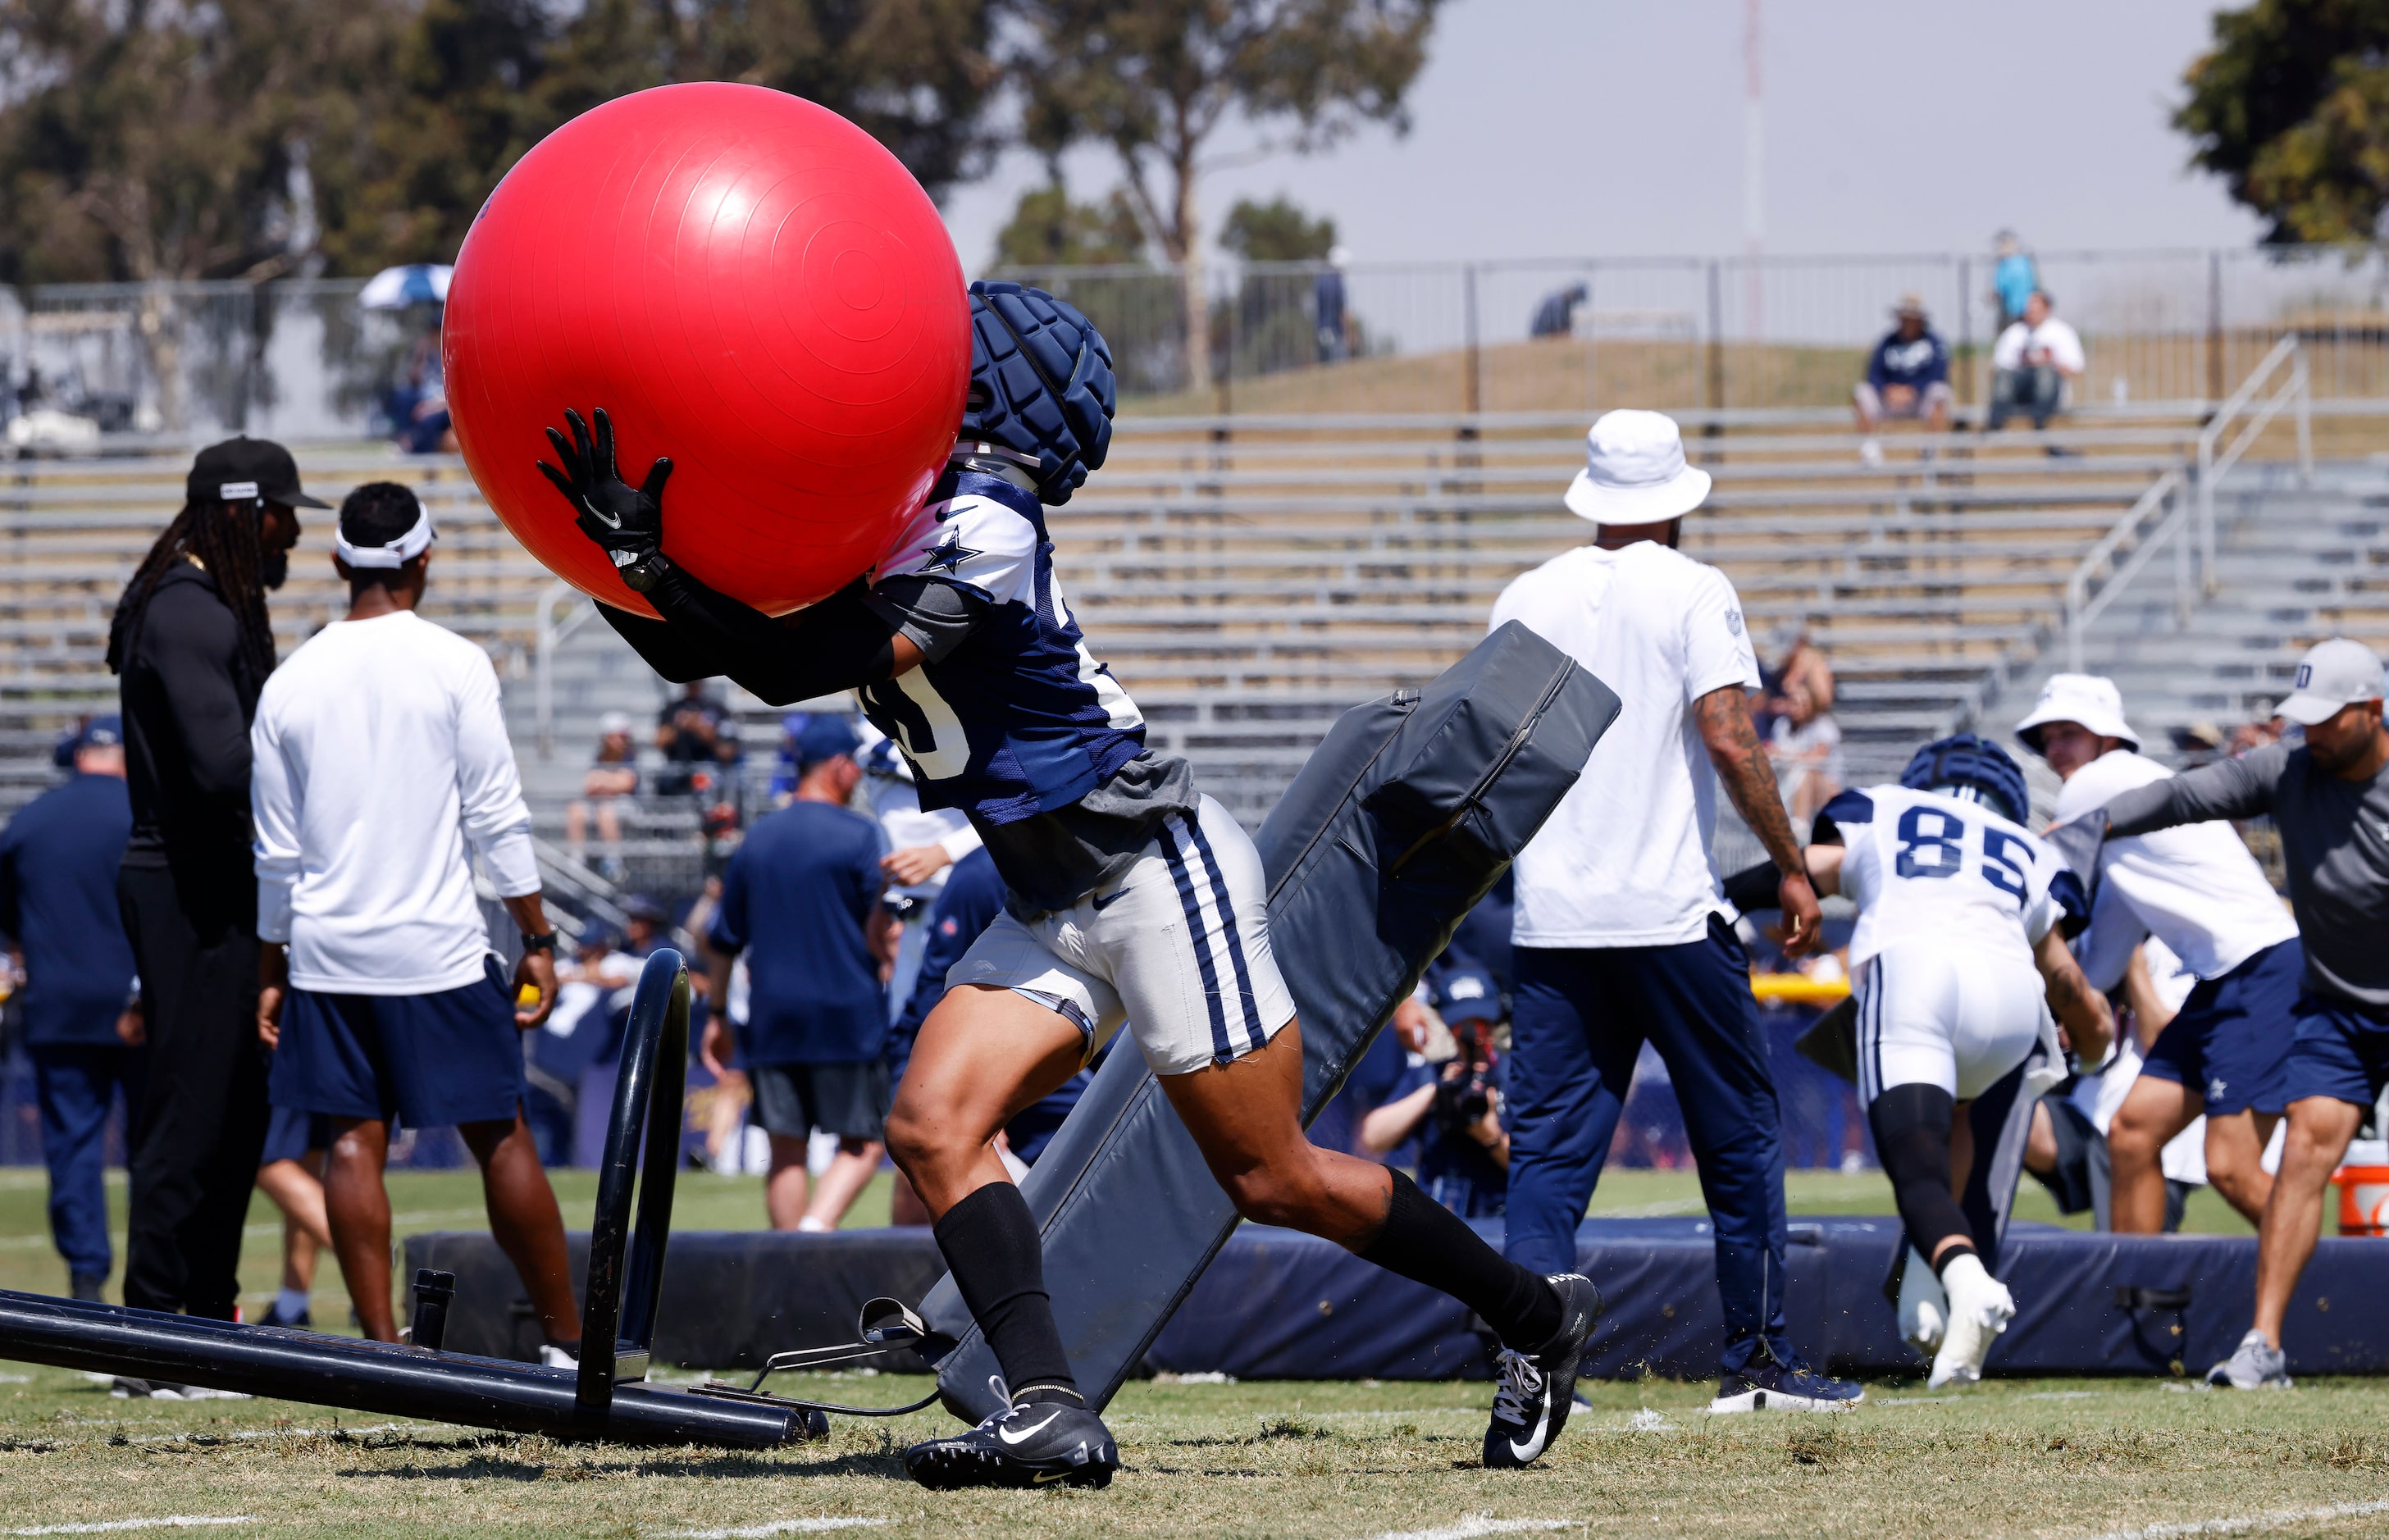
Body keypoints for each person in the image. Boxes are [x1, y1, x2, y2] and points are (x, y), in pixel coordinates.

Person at [534, 280, 1598, 1489]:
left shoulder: (985, 516)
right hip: (1047, 893)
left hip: (1150, 868)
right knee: (933, 1125)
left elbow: (792, 666)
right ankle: (1048, 1407)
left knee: (1270, 1175)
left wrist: (652, 568)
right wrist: (614, 558)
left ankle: (1534, 1314)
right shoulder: (902, 517)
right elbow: (712, 644)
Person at [1487, 408, 1858, 1416]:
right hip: (1669, 913)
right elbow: (1732, 737)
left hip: (1556, 920)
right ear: (1678, 503)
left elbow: (1488, 746)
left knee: (1550, 1160)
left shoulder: (1526, 593)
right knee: (1738, 1140)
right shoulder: (1695, 588)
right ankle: (1759, 1363)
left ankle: (1531, 1364)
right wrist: (1789, 864)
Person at [250, 481, 581, 1360]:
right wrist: (538, 938)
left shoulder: (291, 681)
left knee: (351, 1145)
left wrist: (272, 964)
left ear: (336, 562)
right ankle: (567, 1342)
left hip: (327, 951)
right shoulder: (453, 661)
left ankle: (383, 1349)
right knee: (499, 1135)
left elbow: (275, 854)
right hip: (434, 947)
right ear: (423, 560)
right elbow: (497, 817)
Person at [2063, 638, 2389, 1392]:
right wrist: (2097, 825)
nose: (2308, 733)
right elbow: (2185, 797)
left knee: (2248, 1162)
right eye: (2300, 718)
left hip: (2308, 981)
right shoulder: (2289, 768)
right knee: (2305, 1154)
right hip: (2336, 1007)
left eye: (2327, 719)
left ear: (2373, 713)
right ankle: (2264, 1347)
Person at [1767, 736, 2109, 1387]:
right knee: (1955, 1114)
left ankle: (1966, 1280)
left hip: (1915, 970)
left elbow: (1804, 868)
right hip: (2012, 1005)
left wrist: (1727, 898)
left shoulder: (1885, 809)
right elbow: (2065, 984)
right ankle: (1927, 1290)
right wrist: (2096, 1049)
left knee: (1913, 1155)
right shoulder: (2031, 849)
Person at [107, 437, 317, 1327]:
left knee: (235, 1115)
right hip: (188, 885)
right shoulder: (188, 611)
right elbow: (226, 763)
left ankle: (205, 1317)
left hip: (220, 884)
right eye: (282, 515)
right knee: (193, 1110)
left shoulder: (205, 604)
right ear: (242, 511)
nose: (292, 537)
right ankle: (157, 1328)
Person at [2013, 673, 2303, 1233]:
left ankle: (2341, 1296)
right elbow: (2097, 966)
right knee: (2132, 1135)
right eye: (2046, 739)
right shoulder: (2127, 818)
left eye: (2068, 733)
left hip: (2258, 970)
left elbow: (2045, 896)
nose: (2054, 752)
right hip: (2229, 979)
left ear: (2108, 739)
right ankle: (2136, 1309)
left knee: (2232, 1168)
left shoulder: (2097, 784)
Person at [701, 715, 897, 1233]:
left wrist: (718, 1014)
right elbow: (885, 932)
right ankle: (815, 1231)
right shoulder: (861, 835)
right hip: (847, 1012)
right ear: (838, 766)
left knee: (785, 1148)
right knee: (864, 1141)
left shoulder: (758, 838)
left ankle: (788, 1261)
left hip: (773, 1015)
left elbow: (722, 941)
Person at [0, 717, 144, 1302]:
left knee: (73, 1144)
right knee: (154, 1144)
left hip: (59, 1005)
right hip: (143, 1007)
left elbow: (6, 912)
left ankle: (87, 1278)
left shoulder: (32, 820)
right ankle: (153, 1280)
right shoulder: (146, 814)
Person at [1358, 964, 1511, 1218]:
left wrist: (1490, 1136)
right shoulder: (1432, 1074)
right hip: (1440, 1217)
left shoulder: (1513, 1075)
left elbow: (1541, 1175)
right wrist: (1437, 1091)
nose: (1474, 1035)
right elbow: (1373, 1138)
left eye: (1482, 1023)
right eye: (1463, 1026)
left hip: (1500, 1216)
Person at [858, 727, 984, 1022]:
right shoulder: (870, 718)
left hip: (980, 909)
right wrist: (884, 899)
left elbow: (1019, 805)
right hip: (915, 914)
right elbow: (889, 825)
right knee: (908, 1023)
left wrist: (945, 852)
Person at [252, 1107, 331, 1327]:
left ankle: (364, 1250)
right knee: (306, 1164)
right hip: (317, 1074)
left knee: (261, 1156)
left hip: (282, 1075)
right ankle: (291, 1307)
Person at [1852, 294, 1953, 465]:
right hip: (1889, 398)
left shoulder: (1935, 343)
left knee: (1940, 392)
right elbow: (1873, 374)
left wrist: (1911, 390)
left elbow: (1938, 374)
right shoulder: (1887, 342)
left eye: (1910, 319)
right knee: (1861, 392)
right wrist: (1888, 390)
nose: (1906, 323)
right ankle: (1870, 451)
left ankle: (1931, 449)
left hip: (1920, 399)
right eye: (1903, 318)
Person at [1988, 291, 2084, 435]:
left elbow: (2076, 369)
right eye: (2029, 308)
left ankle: (2040, 421)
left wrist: (2049, 362)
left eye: (2035, 308)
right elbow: (1998, 367)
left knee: (2045, 372)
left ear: (2047, 310)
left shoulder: (2062, 332)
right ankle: (1996, 423)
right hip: (2019, 390)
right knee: (2004, 375)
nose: (2030, 312)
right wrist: (2024, 363)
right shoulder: (2014, 333)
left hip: (2049, 393)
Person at [565, 711, 639, 879]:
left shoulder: (630, 757)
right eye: (616, 736)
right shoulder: (599, 757)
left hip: (626, 805)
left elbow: (626, 784)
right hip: (600, 803)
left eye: (623, 736)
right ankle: (576, 858)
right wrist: (610, 782)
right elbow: (589, 785)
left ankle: (613, 860)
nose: (620, 741)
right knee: (575, 809)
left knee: (605, 811)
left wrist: (605, 782)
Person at [654, 680, 732, 797]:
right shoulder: (672, 708)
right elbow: (659, 742)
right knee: (664, 781)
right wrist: (677, 726)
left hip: (707, 765)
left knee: (709, 784)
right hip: (677, 765)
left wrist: (697, 726)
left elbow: (724, 748)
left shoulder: (715, 708)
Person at [1992, 230, 2039, 327]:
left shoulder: (2005, 264)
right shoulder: (2024, 262)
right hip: (2026, 307)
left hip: (2012, 309)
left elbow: (2001, 288)